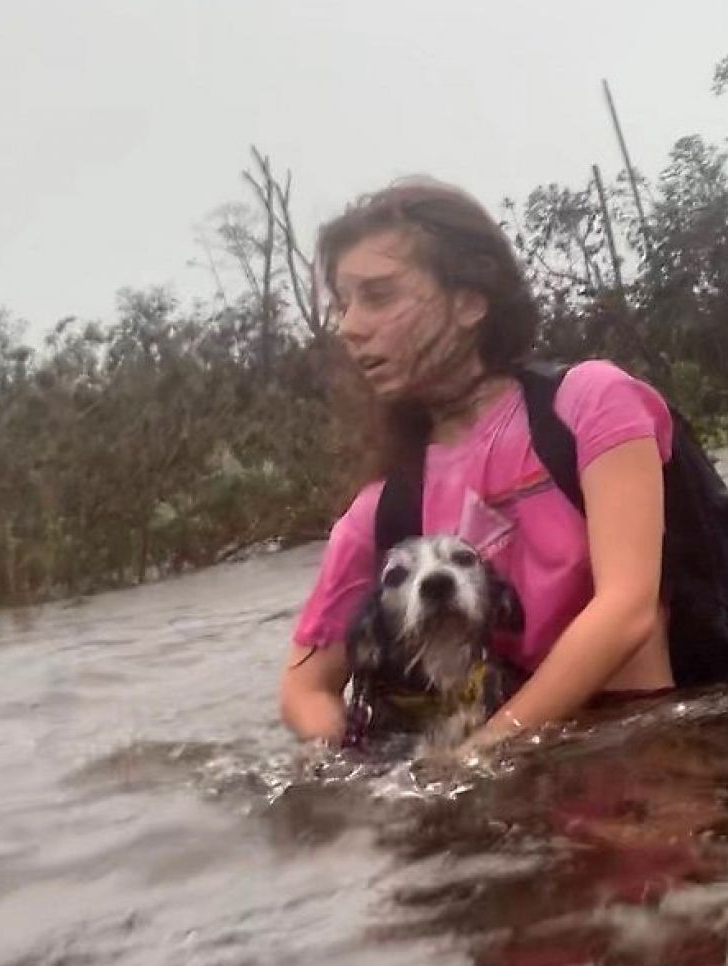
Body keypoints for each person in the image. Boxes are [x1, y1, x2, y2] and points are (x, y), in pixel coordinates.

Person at [278, 178, 674, 761]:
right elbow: (303, 688)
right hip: (511, 762)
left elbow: (627, 609)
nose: (350, 327)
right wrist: (360, 767)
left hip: (649, 736)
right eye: (343, 305)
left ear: (470, 302)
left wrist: (482, 752)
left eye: (378, 297)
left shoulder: (590, 403)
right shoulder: (383, 508)